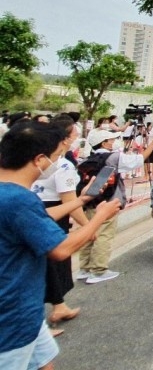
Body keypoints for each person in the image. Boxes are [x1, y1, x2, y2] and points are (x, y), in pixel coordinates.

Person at [0, 121, 121, 370]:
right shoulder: (19, 199)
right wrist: (99, 217)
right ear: (39, 159)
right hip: (12, 320)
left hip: (28, 316)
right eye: (56, 156)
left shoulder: (11, 195)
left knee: (46, 364)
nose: (57, 163)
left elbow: (39, 218)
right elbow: (61, 249)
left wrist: (83, 199)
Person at [76, 128, 153, 284]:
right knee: (104, 235)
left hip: (89, 202)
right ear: (104, 143)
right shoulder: (114, 157)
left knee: (89, 233)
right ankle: (99, 270)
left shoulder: (88, 159)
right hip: (108, 203)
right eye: (110, 140)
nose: (113, 142)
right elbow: (140, 159)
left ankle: (84, 269)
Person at [32, 115, 90, 336]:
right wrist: (87, 226)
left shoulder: (34, 158)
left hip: (39, 211)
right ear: (65, 139)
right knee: (48, 267)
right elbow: (70, 202)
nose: (76, 137)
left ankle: (59, 306)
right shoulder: (62, 165)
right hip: (52, 216)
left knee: (51, 268)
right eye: (74, 134)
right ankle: (39, 328)